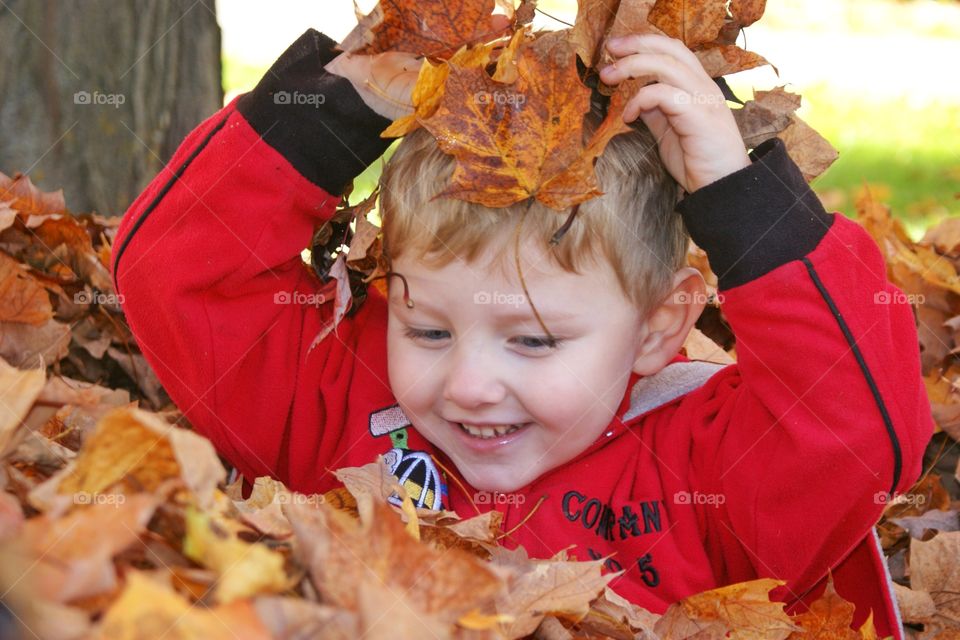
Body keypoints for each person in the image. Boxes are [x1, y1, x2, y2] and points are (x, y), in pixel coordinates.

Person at [111, 26, 932, 638]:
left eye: (534, 342)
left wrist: (741, 200)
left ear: (658, 327)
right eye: (426, 329)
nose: (467, 385)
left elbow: (857, 428)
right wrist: (335, 112)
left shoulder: (713, 469)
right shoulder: (343, 409)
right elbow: (178, 275)